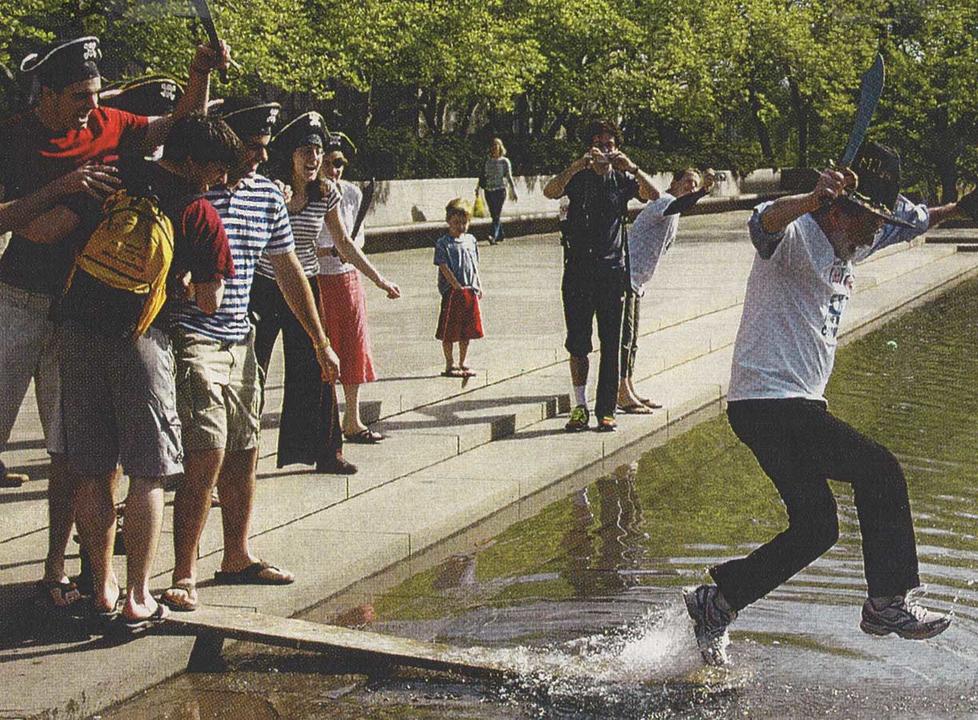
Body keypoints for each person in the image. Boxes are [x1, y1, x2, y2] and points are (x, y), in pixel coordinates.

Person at [683, 142, 970, 666]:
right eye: (868, 224)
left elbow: (913, 220)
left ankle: (718, 602)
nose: (873, 236)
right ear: (838, 211)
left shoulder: (852, 238)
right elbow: (761, 222)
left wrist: (960, 209)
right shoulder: (795, 235)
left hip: (784, 407)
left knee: (818, 527)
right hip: (772, 401)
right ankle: (888, 601)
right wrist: (810, 197)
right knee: (880, 470)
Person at [0, 35, 226, 611]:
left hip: (82, 314)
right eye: (79, 96)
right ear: (45, 94)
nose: (91, 106)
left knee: (68, 453)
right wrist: (63, 187)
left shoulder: (107, 121)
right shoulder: (13, 134)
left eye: (96, 93)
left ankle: (57, 571)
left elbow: (182, 129)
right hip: (21, 300)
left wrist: (200, 69)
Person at [58, 113, 240, 629]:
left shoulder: (120, 174)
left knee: (92, 469)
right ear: (189, 162)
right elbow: (210, 301)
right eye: (215, 169)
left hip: (77, 331)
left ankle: (101, 585)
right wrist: (181, 284)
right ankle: (138, 594)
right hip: (141, 339)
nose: (221, 179)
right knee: (148, 471)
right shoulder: (199, 212)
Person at [161, 99, 340, 612]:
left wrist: (320, 341)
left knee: (244, 450)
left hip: (241, 338)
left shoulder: (265, 195)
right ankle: (183, 572)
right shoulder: (195, 191)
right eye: (254, 150)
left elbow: (289, 271)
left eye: (266, 150)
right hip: (192, 337)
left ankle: (235, 555)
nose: (262, 160)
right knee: (207, 451)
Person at [251, 111, 355, 474]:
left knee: (316, 364)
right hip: (264, 286)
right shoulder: (270, 189)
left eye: (318, 151)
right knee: (252, 370)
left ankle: (327, 451)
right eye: (305, 151)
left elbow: (342, 240)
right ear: (290, 156)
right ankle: (235, 456)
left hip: (305, 286)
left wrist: (376, 278)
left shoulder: (327, 195)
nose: (313, 159)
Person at [542, 119, 657, 432]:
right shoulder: (578, 178)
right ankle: (580, 406)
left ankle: (606, 410)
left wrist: (632, 168)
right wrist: (576, 165)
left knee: (611, 341)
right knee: (578, 342)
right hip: (578, 269)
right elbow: (550, 191)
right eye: (599, 145)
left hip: (612, 270)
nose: (605, 151)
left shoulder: (622, 179)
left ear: (617, 148)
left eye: (610, 145)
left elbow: (654, 194)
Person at [316, 131, 401, 443]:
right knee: (324, 349)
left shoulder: (350, 194)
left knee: (354, 346)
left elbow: (355, 240)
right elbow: (297, 245)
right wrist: (328, 251)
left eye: (338, 163)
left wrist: (378, 280)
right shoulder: (307, 196)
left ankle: (351, 419)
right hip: (319, 279)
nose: (333, 169)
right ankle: (325, 423)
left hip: (348, 278)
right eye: (327, 163)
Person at [618, 168, 716, 412]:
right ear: (674, 182)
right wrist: (703, 191)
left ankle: (628, 387)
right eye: (688, 182)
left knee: (632, 339)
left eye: (695, 185)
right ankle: (620, 391)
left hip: (637, 281)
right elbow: (679, 204)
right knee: (625, 338)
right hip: (624, 277)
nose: (690, 187)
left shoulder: (675, 210)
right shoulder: (665, 201)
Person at [434, 198, 484, 377]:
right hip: (453, 292)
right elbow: (443, 266)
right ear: (448, 221)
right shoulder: (443, 243)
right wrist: (455, 285)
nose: (461, 226)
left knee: (466, 330)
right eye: (456, 222)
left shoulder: (471, 240)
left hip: (470, 290)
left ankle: (464, 361)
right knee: (449, 330)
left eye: (464, 222)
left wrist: (478, 285)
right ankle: (450, 363)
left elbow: (474, 264)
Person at [478, 137, 518, 245]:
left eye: (497, 145)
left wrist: (513, 190)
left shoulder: (505, 161)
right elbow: (483, 176)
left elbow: (509, 177)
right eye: (494, 145)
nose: (495, 147)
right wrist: (478, 188)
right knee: (494, 214)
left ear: (501, 147)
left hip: (500, 190)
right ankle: (500, 235)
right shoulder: (488, 161)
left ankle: (493, 236)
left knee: (496, 214)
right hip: (489, 190)